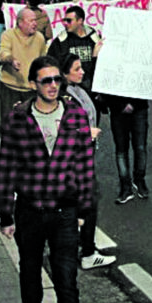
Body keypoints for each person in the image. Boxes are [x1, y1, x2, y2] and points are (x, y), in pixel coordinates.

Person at [0, 56, 95, 303]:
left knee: (67, 281)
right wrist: (6, 214)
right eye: (46, 81)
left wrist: (84, 209)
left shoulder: (76, 116)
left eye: (57, 79)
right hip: (30, 210)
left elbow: (85, 166)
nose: (53, 85)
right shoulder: (18, 118)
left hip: (65, 210)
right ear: (33, 85)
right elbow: (7, 168)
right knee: (30, 278)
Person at [60, 54, 117, 271]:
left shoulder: (79, 90)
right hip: (75, 160)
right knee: (87, 204)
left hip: (84, 156)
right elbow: (63, 129)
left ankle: (80, 248)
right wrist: (87, 133)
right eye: (77, 69)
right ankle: (87, 252)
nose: (82, 72)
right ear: (65, 74)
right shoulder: (66, 98)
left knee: (82, 205)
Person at [0, 7, 48, 120]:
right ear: (20, 22)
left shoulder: (39, 38)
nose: (35, 23)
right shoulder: (8, 35)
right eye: (31, 21)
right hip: (10, 89)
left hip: (31, 90)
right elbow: (3, 53)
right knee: (9, 124)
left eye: (35, 20)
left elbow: (43, 61)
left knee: (30, 126)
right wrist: (11, 60)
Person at [47, 6, 101, 91]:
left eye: (69, 20)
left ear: (80, 21)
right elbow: (51, 64)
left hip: (91, 87)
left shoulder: (94, 39)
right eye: (64, 20)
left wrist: (95, 57)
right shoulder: (61, 41)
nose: (65, 23)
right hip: (69, 89)